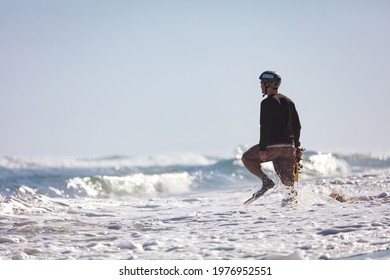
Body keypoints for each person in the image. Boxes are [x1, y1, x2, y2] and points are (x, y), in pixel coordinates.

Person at [242, 70, 302, 202]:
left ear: (268, 84)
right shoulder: (289, 101)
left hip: (272, 147)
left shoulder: (267, 103)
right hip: (288, 148)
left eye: (261, 83)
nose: (260, 86)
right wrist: (296, 148)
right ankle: (293, 207)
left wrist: (263, 148)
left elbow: (265, 126)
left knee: (246, 158)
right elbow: (297, 126)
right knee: (289, 185)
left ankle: (266, 181)